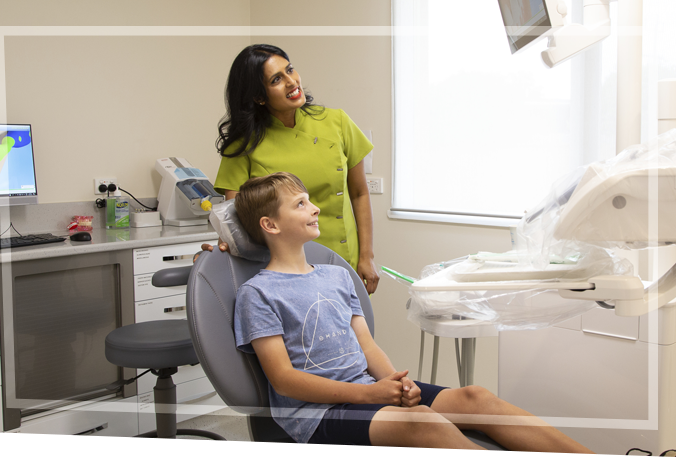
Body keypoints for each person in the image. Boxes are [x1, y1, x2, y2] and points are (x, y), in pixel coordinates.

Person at [231, 172, 601, 457]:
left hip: (367, 390)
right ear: (270, 225)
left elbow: (367, 346)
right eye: (300, 204)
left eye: (309, 200)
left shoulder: (335, 275)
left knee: (477, 398)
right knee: (423, 421)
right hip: (317, 416)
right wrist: (371, 395)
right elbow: (283, 380)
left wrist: (396, 383)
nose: (314, 208)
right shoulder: (258, 293)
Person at [201, 44, 379, 294]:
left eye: (290, 70)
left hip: (343, 259)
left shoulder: (337, 121)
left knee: (353, 330)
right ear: (259, 97)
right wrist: (222, 249)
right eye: (276, 79)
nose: (291, 81)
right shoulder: (245, 145)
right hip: (282, 270)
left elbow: (360, 193)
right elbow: (237, 219)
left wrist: (366, 256)